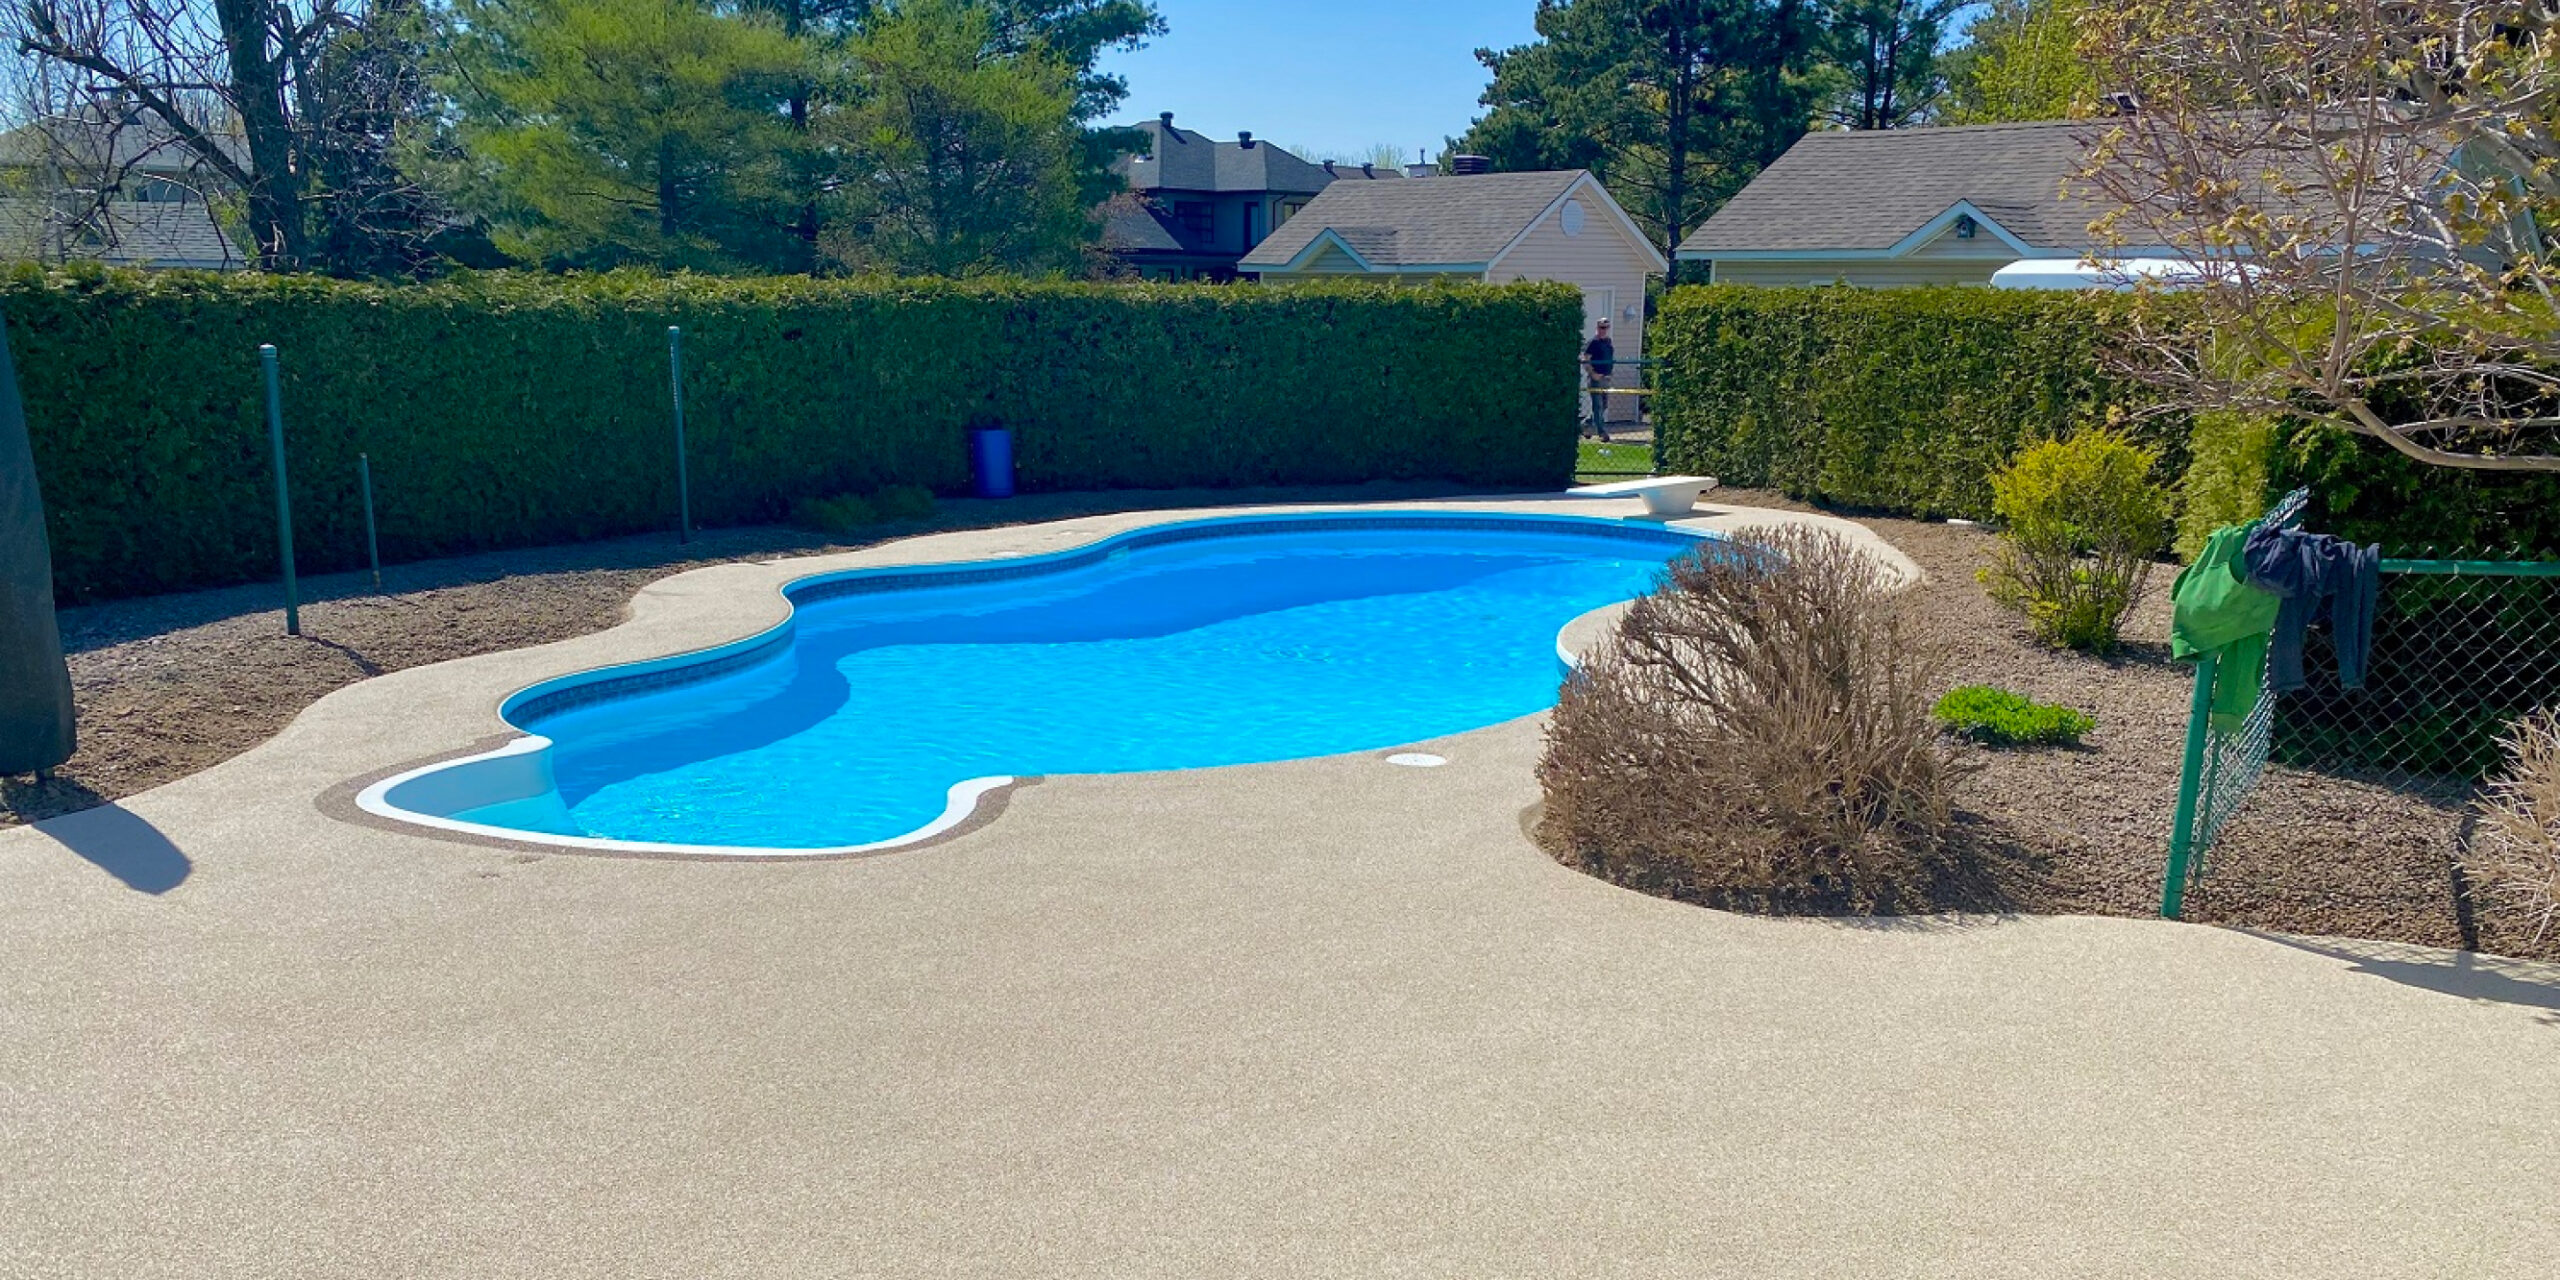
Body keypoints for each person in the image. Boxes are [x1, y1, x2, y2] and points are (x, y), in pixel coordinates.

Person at [1581, 320, 1616, 441]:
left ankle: (1585, 424)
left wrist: (1610, 373)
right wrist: (1593, 373)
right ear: (1597, 327)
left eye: (1605, 327)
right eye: (1601, 327)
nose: (1603, 330)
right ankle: (1602, 433)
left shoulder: (1608, 342)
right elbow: (1585, 359)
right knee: (1598, 405)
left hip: (1606, 378)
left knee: (1604, 405)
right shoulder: (1593, 343)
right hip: (1596, 379)